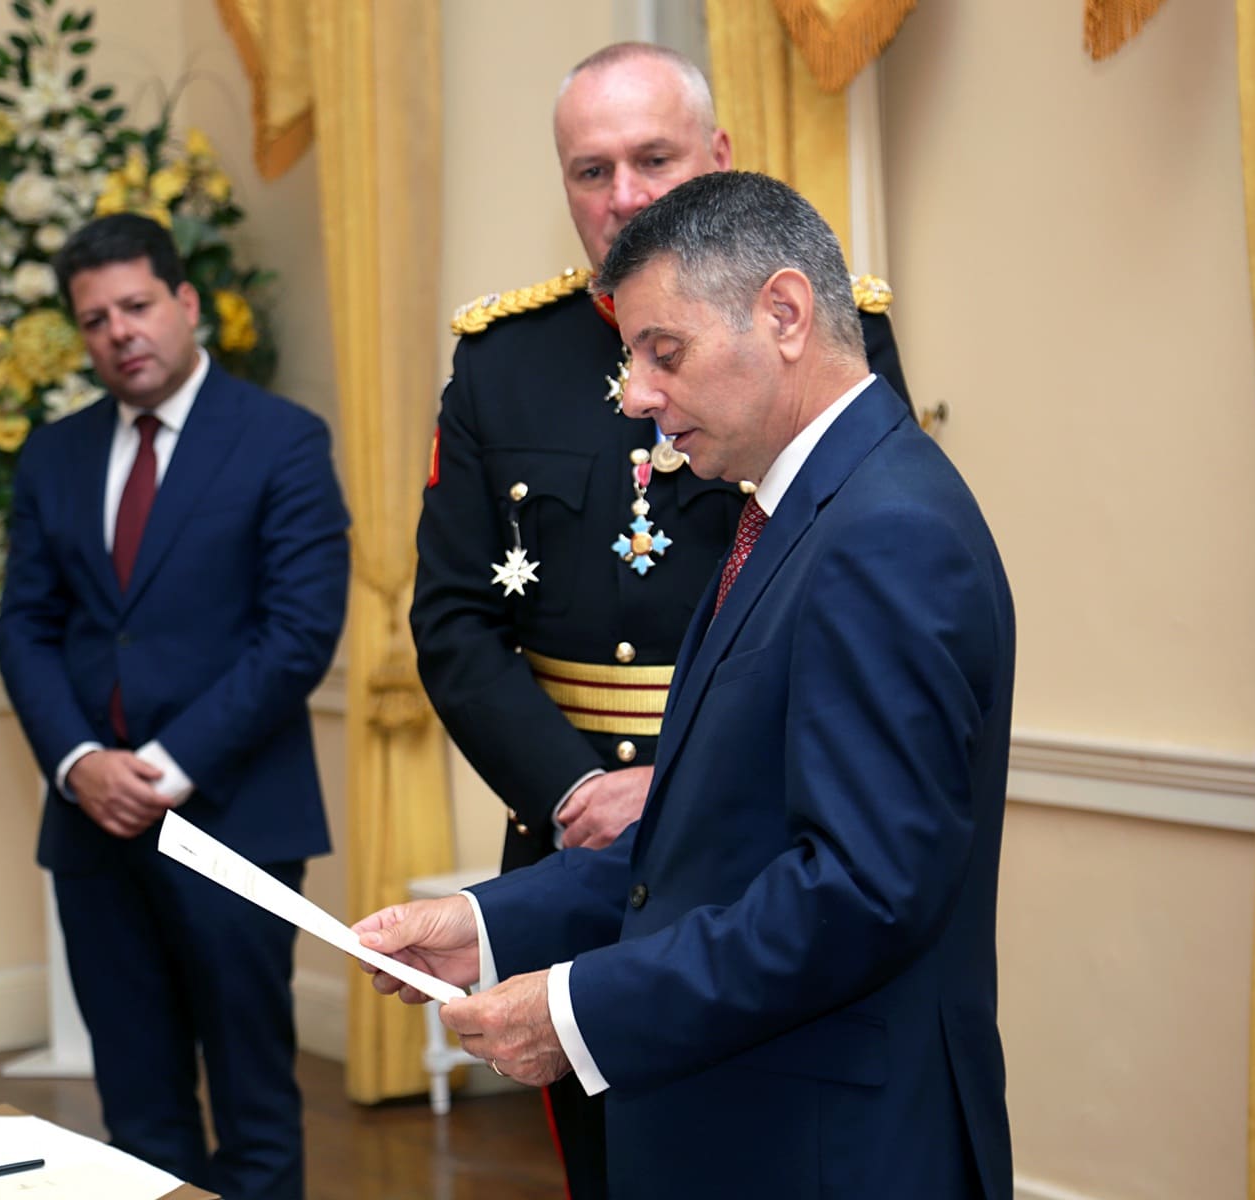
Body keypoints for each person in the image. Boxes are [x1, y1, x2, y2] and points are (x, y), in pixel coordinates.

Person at [365, 170, 1014, 1199]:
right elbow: (709, 836)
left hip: (824, 1150)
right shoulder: (794, 509)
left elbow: (858, 894)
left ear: (784, 314)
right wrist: (490, 926)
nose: (636, 395)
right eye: (632, 358)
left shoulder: (884, 531)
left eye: (663, 353)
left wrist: (577, 1010)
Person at [0, 213, 349, 1200]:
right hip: (91, 830)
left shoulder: (281, 439)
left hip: (234, 820)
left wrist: (164, 768)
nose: (120, 332)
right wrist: (79, 764)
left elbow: (298, 633)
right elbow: (23, 628)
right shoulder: (53, 456)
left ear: (186, 303)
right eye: (94, 319)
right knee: (136, 1112)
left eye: (137, 305)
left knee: (254, 1106)